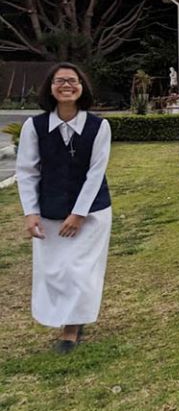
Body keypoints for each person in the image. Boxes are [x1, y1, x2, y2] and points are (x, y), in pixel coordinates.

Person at [16, 63, 112, 353]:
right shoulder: (35, 127)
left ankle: (72, 328)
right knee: (56, 271)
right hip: (51, 209)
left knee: (79, 270)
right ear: (50, 87)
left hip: (91, 212)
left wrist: (79, 214)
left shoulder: (99, 126)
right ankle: (66, 317)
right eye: (60, 81)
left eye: (73, 80)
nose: (67, 85)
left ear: (82, 87)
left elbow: (96, 172)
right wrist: (30, 211)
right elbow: (27, 170)